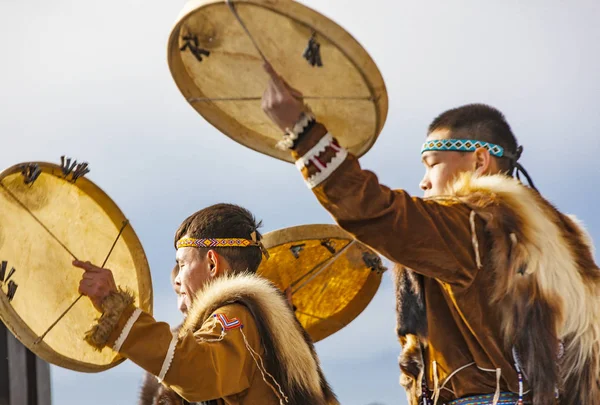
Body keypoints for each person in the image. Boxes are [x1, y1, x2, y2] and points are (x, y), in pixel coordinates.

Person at [261, 64, 600, 405]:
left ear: (479, 161)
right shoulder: (561, 248)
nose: (423, 181)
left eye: (432, 162)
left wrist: (302, 131)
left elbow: (375, 212)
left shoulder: (474, 225)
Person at [75, 203, 338, 405]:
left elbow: (195, 370)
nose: (177, 278)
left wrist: (115, 309)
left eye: (182, 264)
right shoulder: (260, 317)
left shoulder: (237, 315)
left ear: (212, 263)